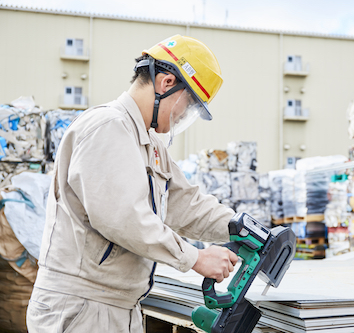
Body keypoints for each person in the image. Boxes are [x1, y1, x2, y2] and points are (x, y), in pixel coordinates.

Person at [26, 35, 238, 332]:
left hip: (117, 307)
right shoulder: (107, 128)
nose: (181, 117)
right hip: (82, 306)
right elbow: (124, 218)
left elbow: (187, 204)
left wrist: (241, 228)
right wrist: (195, 258)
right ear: (166, 84)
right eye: (188, 106)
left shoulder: (149, 144)